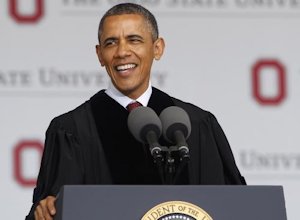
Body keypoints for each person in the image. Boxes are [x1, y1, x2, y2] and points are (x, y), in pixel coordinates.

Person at [26, 3, 246, 220]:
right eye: (111, 43)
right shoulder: (72, 130)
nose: (122, 52)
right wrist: (46, 211)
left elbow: (235, 205)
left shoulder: (196, 124)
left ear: (157, 48)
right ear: (100, 54)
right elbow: (53, 208)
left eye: (134, 40)